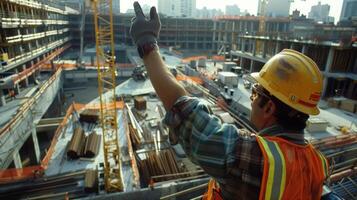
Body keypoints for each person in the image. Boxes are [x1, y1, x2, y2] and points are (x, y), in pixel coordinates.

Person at [130, 2, 329, 199]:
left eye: (254, 93)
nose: (251, 101)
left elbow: (184, 110)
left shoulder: (255, 157)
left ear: (269, 107)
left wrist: (148, 44)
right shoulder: (318, 163)